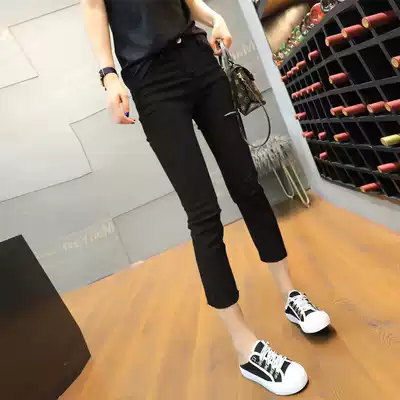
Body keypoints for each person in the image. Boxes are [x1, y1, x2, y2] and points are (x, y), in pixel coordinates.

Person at [82, 0, 331, 396]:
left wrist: (214, 17)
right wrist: (108, 74)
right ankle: (245, 348)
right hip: (151, 80)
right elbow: (95, 8)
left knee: (248, 186)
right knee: (203, 213)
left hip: (200, 59)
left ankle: (291, 295)